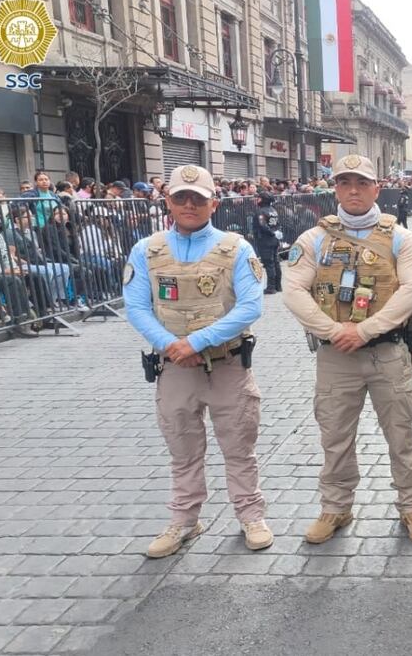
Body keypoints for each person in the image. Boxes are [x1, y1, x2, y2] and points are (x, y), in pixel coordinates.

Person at [281, 154, 412, 545]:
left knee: (400, 435)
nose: (353, 190)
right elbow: (294, 289)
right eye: (345, 182)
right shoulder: (313, 239)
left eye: (362, 183)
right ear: (335, 188)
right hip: (336, 356)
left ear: (376, 188)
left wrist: (366, 330)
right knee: (334, 436)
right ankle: (335, 507)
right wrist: (332, 330)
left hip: (386, 351)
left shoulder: (401, 237)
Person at [122, 164, 272, 558]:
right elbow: (136, 307)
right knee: (183, 450)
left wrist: (196, 342)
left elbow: (250, 306)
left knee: (239, 446)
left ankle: (250, 515)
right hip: (175, 367)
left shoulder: (236, 248)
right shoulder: (147, 250)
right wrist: (172, 345)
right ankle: (183, 521)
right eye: (181, 197)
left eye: (198, 199)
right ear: (167, 200)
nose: (189, 205)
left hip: (226, 365)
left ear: (214, 204)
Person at [253, 193, 282, 294]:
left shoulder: (261, 212)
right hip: (274, 239)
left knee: (269, 263)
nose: (257, 200)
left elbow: (262, 225)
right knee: (275, 262)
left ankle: (271, 287)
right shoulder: (273, 210)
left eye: (259, 198)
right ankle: (278, 285)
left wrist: (271, 232)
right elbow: (278, 224)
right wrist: (276, 234)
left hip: (265, 240)